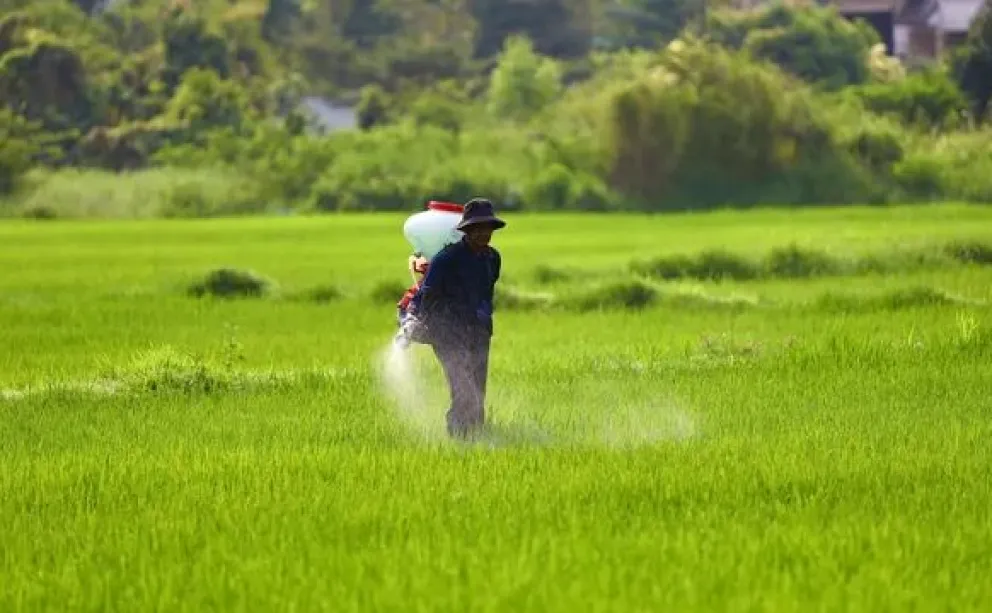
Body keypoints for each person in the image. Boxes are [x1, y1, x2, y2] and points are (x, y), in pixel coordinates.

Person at [406, 198, 506, 438]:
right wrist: (414, 321)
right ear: (468, 230)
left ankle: (477, 435)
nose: (484, 234)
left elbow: (487, 291)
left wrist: (482, 317)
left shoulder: (492, 258)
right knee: (463, 387)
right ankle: (458, 437)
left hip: (479, 331)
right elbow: (426, 294)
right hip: (449, 332)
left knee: (478, 388)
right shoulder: (447, 259)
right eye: (478, 228)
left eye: (488, 229)